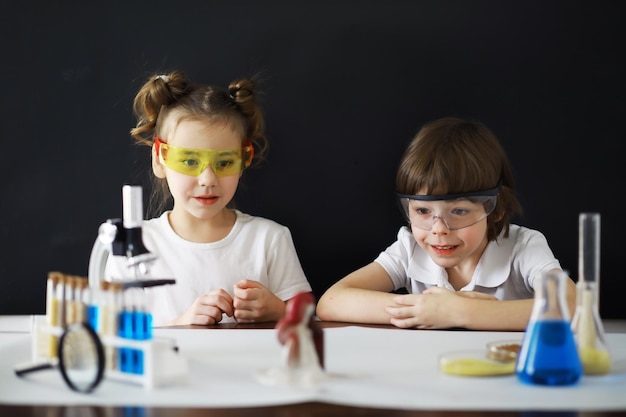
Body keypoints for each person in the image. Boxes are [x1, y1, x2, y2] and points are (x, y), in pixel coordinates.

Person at [315, 116, 576, 331]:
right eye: (423, 211)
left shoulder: (523, 246)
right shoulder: (410, 249)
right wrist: (428, 310)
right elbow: (332, 301)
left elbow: (572, 304)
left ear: (496, 209)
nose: (439, 229)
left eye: (459, 211)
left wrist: (461, 311)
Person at [107, 70, 312, 326]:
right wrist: (183, 323)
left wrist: (277, 310)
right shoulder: (133, 246)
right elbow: (112, 332)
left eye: (224, 162)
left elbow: (308, 317)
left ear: (241, 162)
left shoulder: (268, 239)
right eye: (190, 161)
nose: (207, 179)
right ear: (160, 159)